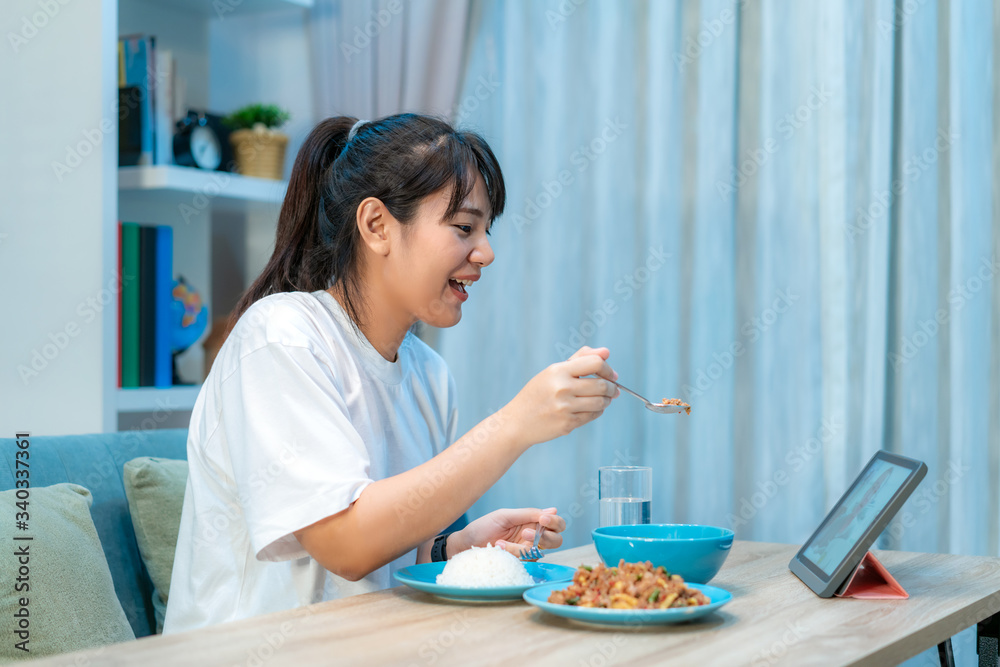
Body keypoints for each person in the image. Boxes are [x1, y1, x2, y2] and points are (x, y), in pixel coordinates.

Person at [162, 113, 620, 633]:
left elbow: (389, 556)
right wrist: (515, 424)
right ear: (377, 225)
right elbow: (347, 545)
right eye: (464, 227)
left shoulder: (429, 374)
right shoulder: (280, 337)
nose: (486, 252)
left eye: (486, 230)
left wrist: (455, 546)